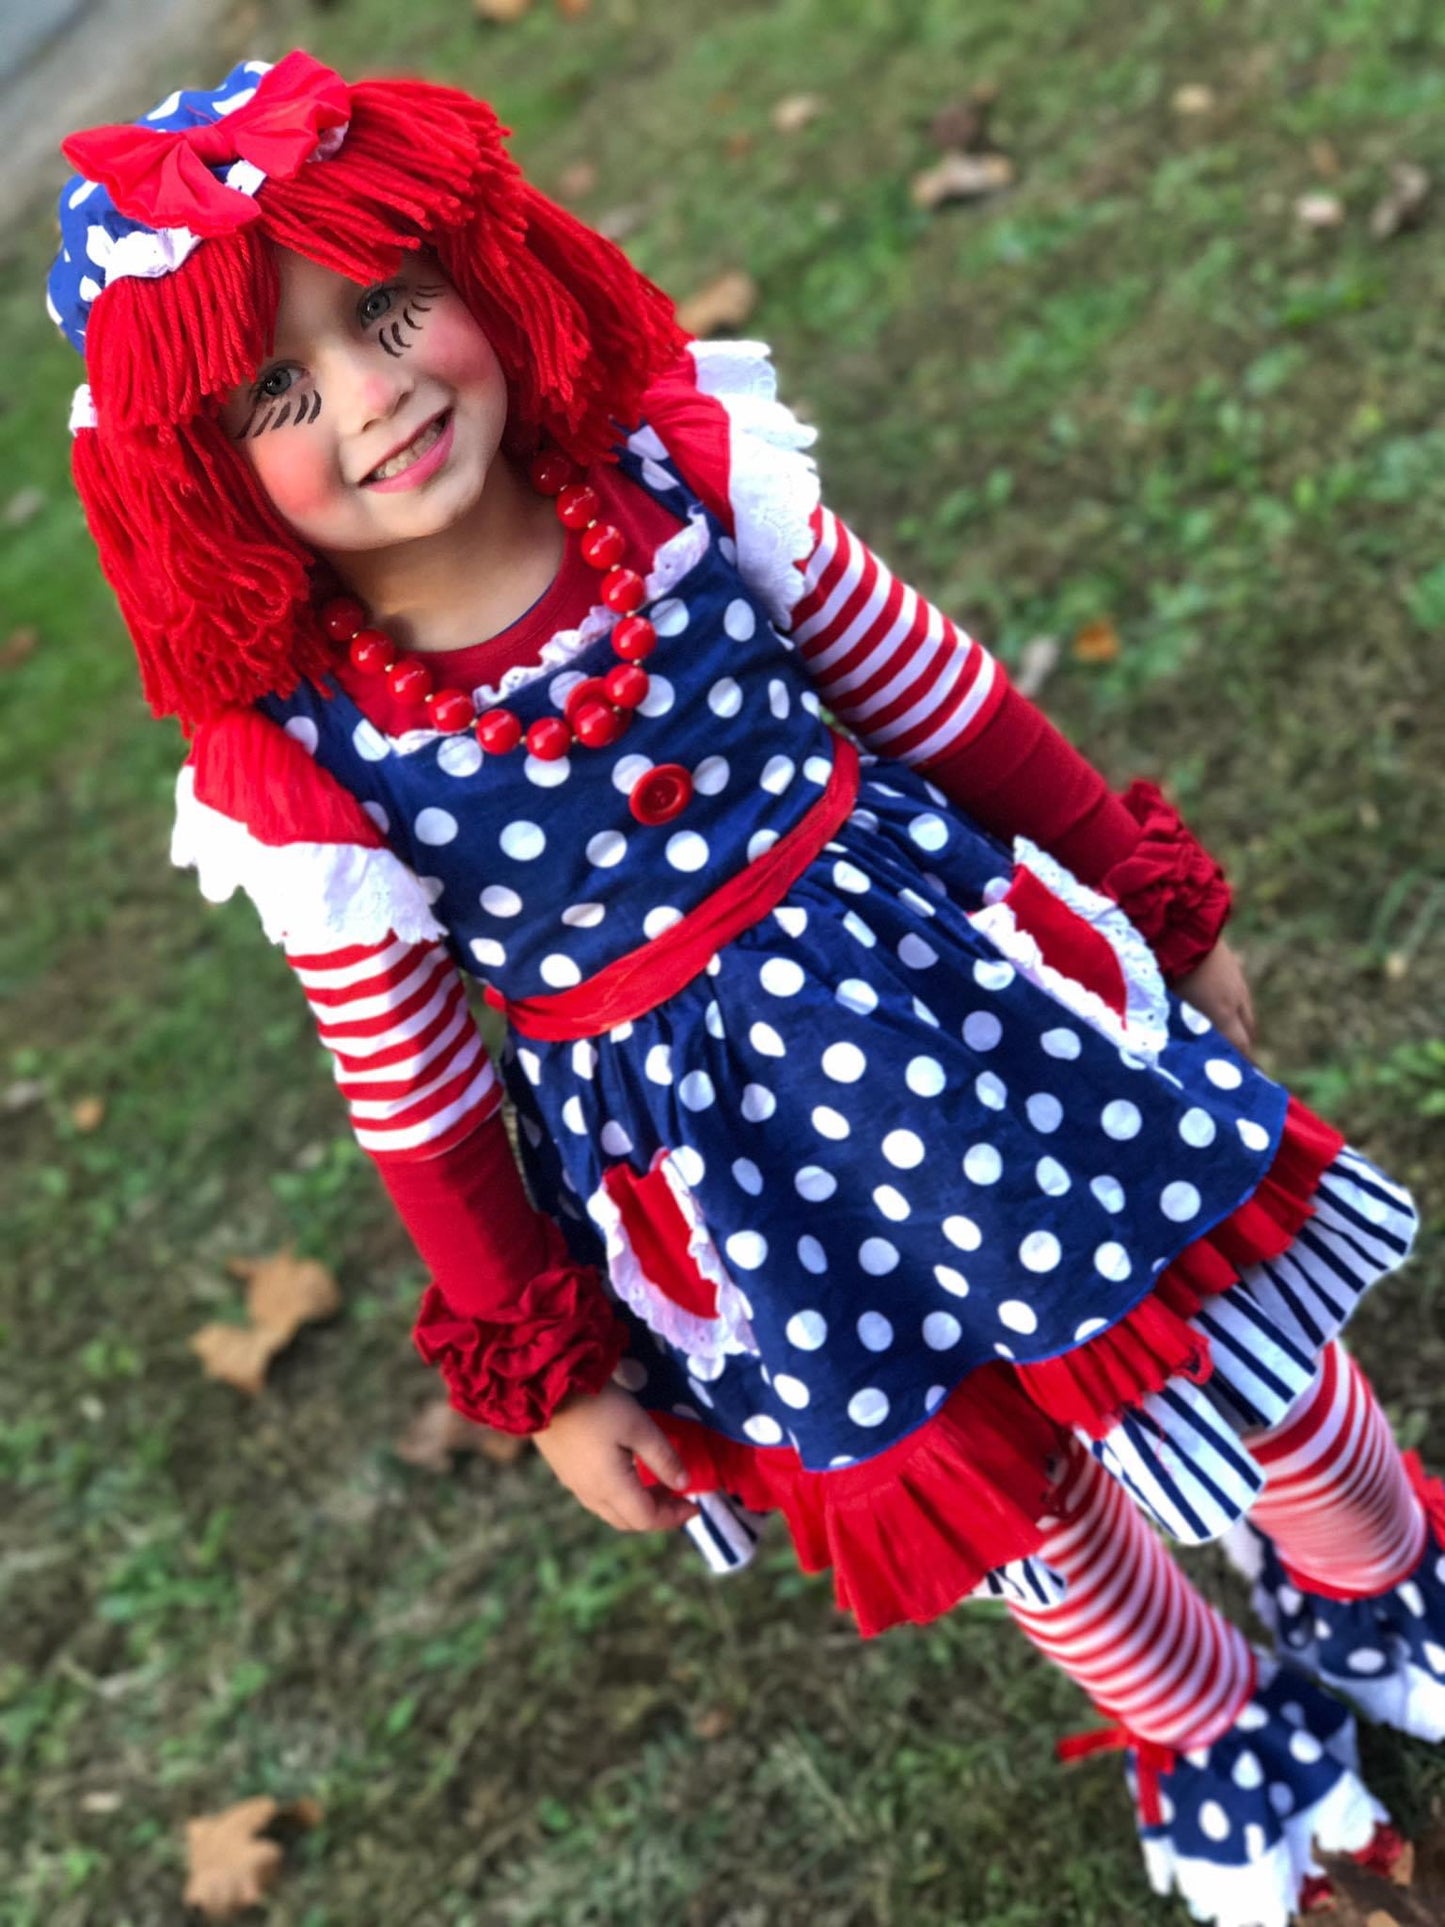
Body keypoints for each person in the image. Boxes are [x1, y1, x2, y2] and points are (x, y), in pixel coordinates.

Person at [49, 50, 1442, 1926]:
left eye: (390, 311)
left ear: (477, 264)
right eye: (282, 388)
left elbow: (939, 695)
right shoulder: (306, 767)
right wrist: (544, 1366)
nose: (373, 397)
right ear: (200, 473)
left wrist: (1140, 895)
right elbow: (419, 1092)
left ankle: (1371, 1572)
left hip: (985, 1020)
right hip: (751, 1185)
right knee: (1013, 1499)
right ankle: (1212, 1723)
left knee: (1236, 1332)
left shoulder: (674, 466)